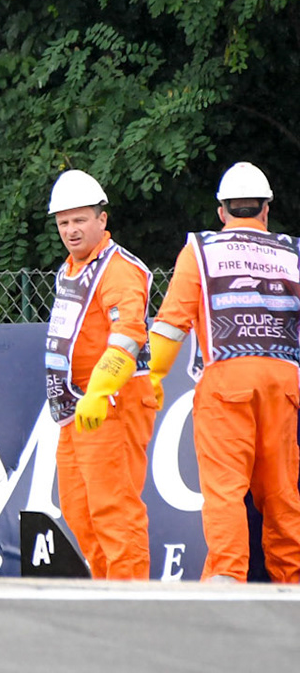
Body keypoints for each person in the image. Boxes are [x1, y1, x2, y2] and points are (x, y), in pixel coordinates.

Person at [147, 161, 300, 582]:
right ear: (266, 209)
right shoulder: (293, 251)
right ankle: (293, 581)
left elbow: (170, 324)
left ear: (222, 211)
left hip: (225, 382)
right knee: (283, 494)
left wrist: (155, 377)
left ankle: (228, 580)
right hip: (284, 383)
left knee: (226, 491)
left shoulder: (200, 251)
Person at [43, 169, 157, 579]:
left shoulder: (119, 268)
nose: (71, 230)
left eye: (79, 220)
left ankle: (130, 602)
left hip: (112, 401)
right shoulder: (70, 270)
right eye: (63, 222)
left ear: (101, 220)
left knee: (114, 509)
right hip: (76, 406)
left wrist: (100, 390)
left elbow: (128, 336)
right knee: (78, 509)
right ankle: (109, 589)